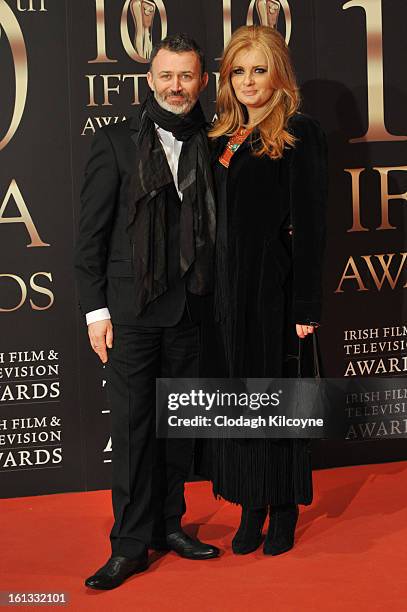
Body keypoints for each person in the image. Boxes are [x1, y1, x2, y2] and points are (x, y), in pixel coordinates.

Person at [75, 33, 219, 591]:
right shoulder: (114, 143)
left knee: (177, 426)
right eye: (166, 76)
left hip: (192, 308)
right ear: (150, 79)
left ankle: (169, 527)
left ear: (201, 82)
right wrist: (95, 312)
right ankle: (129, 546)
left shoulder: (214, 140)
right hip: (131, 313)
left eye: (186, 77)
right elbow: (90, 237)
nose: (176, 87)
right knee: (136, 432)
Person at [200, 25, 327, 556]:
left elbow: (312, 224)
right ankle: (250, 504)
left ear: (279, 73)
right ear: (226, 77)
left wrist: (304, 304)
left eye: (259, 69)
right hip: (224, 298)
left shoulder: (298, 132)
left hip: (271, 295)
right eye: (238, 70)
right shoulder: (221, 134)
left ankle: (282, 510)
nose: (248, 81)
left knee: (274, 402)